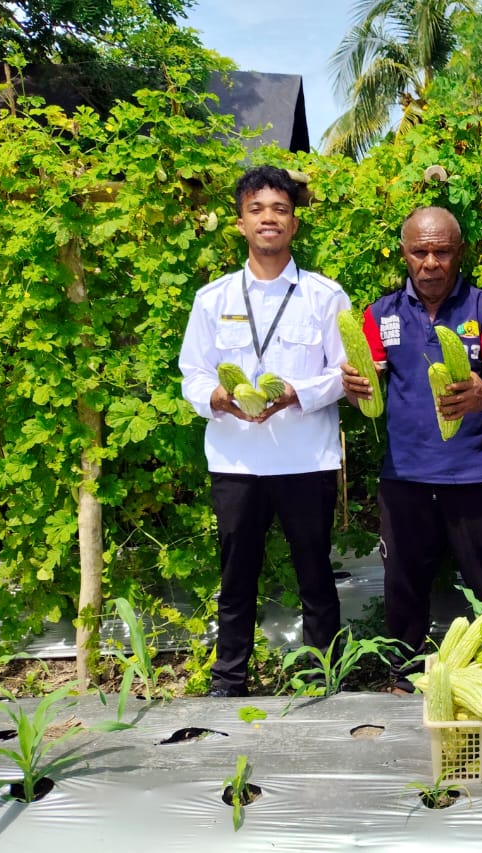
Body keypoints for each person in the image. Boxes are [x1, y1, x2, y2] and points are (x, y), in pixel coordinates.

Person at [179, 165, 350, 698]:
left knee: (315, 575)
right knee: (235, 578)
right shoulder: (213, 299)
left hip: (307, 458)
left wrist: (297, 393)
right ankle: (229, 680)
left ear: (294, 224)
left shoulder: (325, 296)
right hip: (237, 461)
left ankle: (323, 678)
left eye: (279, 209)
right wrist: (217, 398)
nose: (268, 218)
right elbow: (192, 373)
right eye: (256, 209)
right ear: (241, 224)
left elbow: (346, 374)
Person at [342, 206, 482, 694]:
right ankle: (403, 676)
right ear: (404, 253)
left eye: (441, 252)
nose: (430, 263)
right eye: (419, 252)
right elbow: (367, 384)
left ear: (458, 253)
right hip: (404, 475)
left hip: (475, 475)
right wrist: (355, 387)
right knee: (403, 586)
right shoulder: (380, 315)